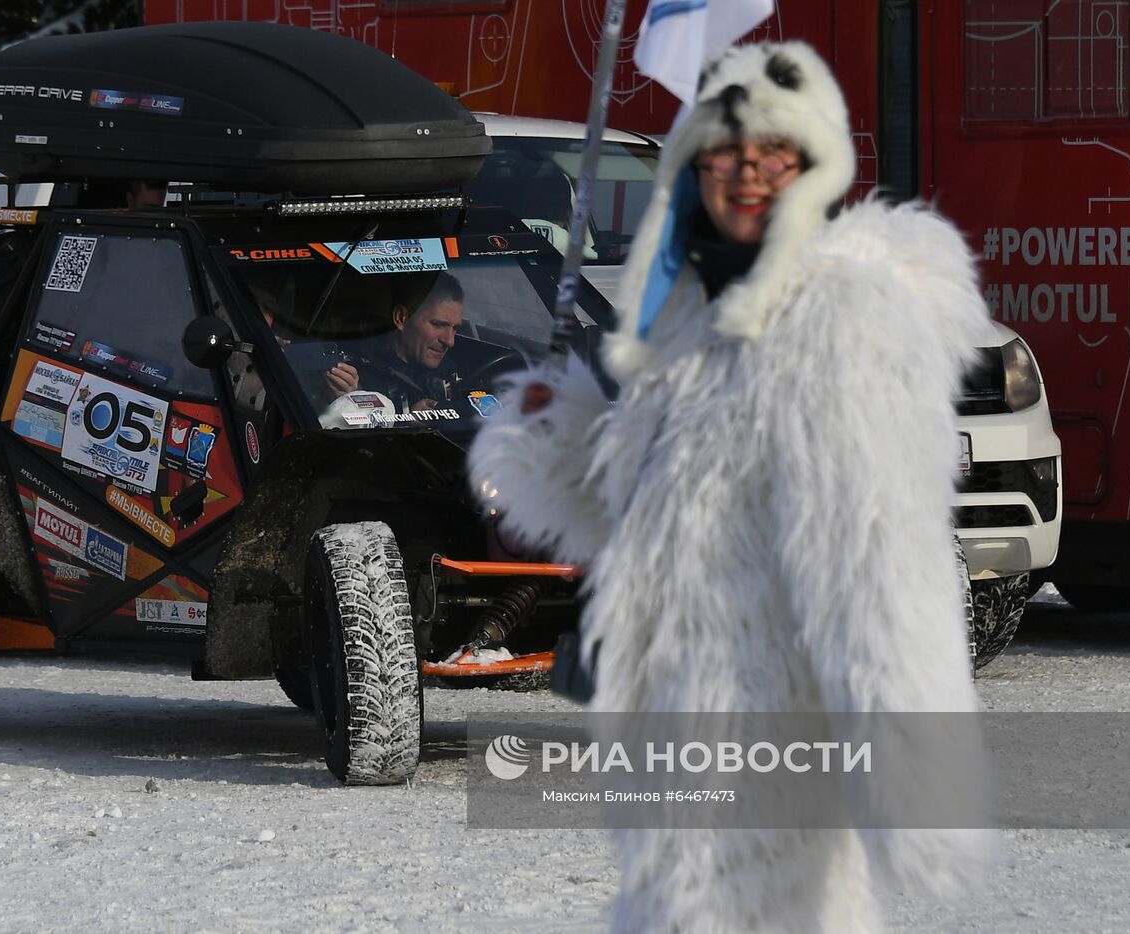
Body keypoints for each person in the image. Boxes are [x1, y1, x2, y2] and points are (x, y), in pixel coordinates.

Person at [469, 40, 996, 933]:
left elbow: (876, 553)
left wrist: (915, 771)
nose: (747, 174)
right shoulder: (687, 318)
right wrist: (557, 425)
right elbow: (648, 514)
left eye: (773, 155)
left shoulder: (838, 318)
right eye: (725, 153)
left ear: (813, 166)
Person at [337, 272, 465, 412]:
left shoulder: (458, 373)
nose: (450, 341)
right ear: (401, 319)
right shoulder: (357, 376)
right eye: (439, 325)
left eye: (455, 329)